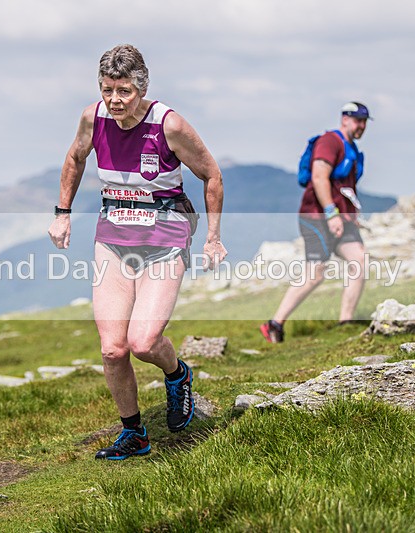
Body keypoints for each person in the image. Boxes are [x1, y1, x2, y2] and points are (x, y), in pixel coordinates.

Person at [48, 44, 227, 459]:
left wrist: (213, 237)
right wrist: (62, 213)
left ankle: (178, 374)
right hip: (113, 235)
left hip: (166, 236)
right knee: (113, 347)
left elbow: (211, 174)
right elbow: (75, 158)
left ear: (141, 89)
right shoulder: (92, 118)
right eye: (108, 89)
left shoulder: (169, 124)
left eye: (124, 91)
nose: (114, 100)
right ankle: (134, 434)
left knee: (144, 342)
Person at [261, 102, 371, 343]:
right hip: (316, 217)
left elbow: (345, 188)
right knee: (316, 273)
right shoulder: (330, 142)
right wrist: (331, 213)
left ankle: (346, 322)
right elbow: (319, 177)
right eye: (357, 120)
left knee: (359, 260)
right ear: (345, 119)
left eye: (364, 121)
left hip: (342, 220)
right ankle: (274, 324)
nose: (361, 125)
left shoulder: (352, 149)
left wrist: (350, 214)